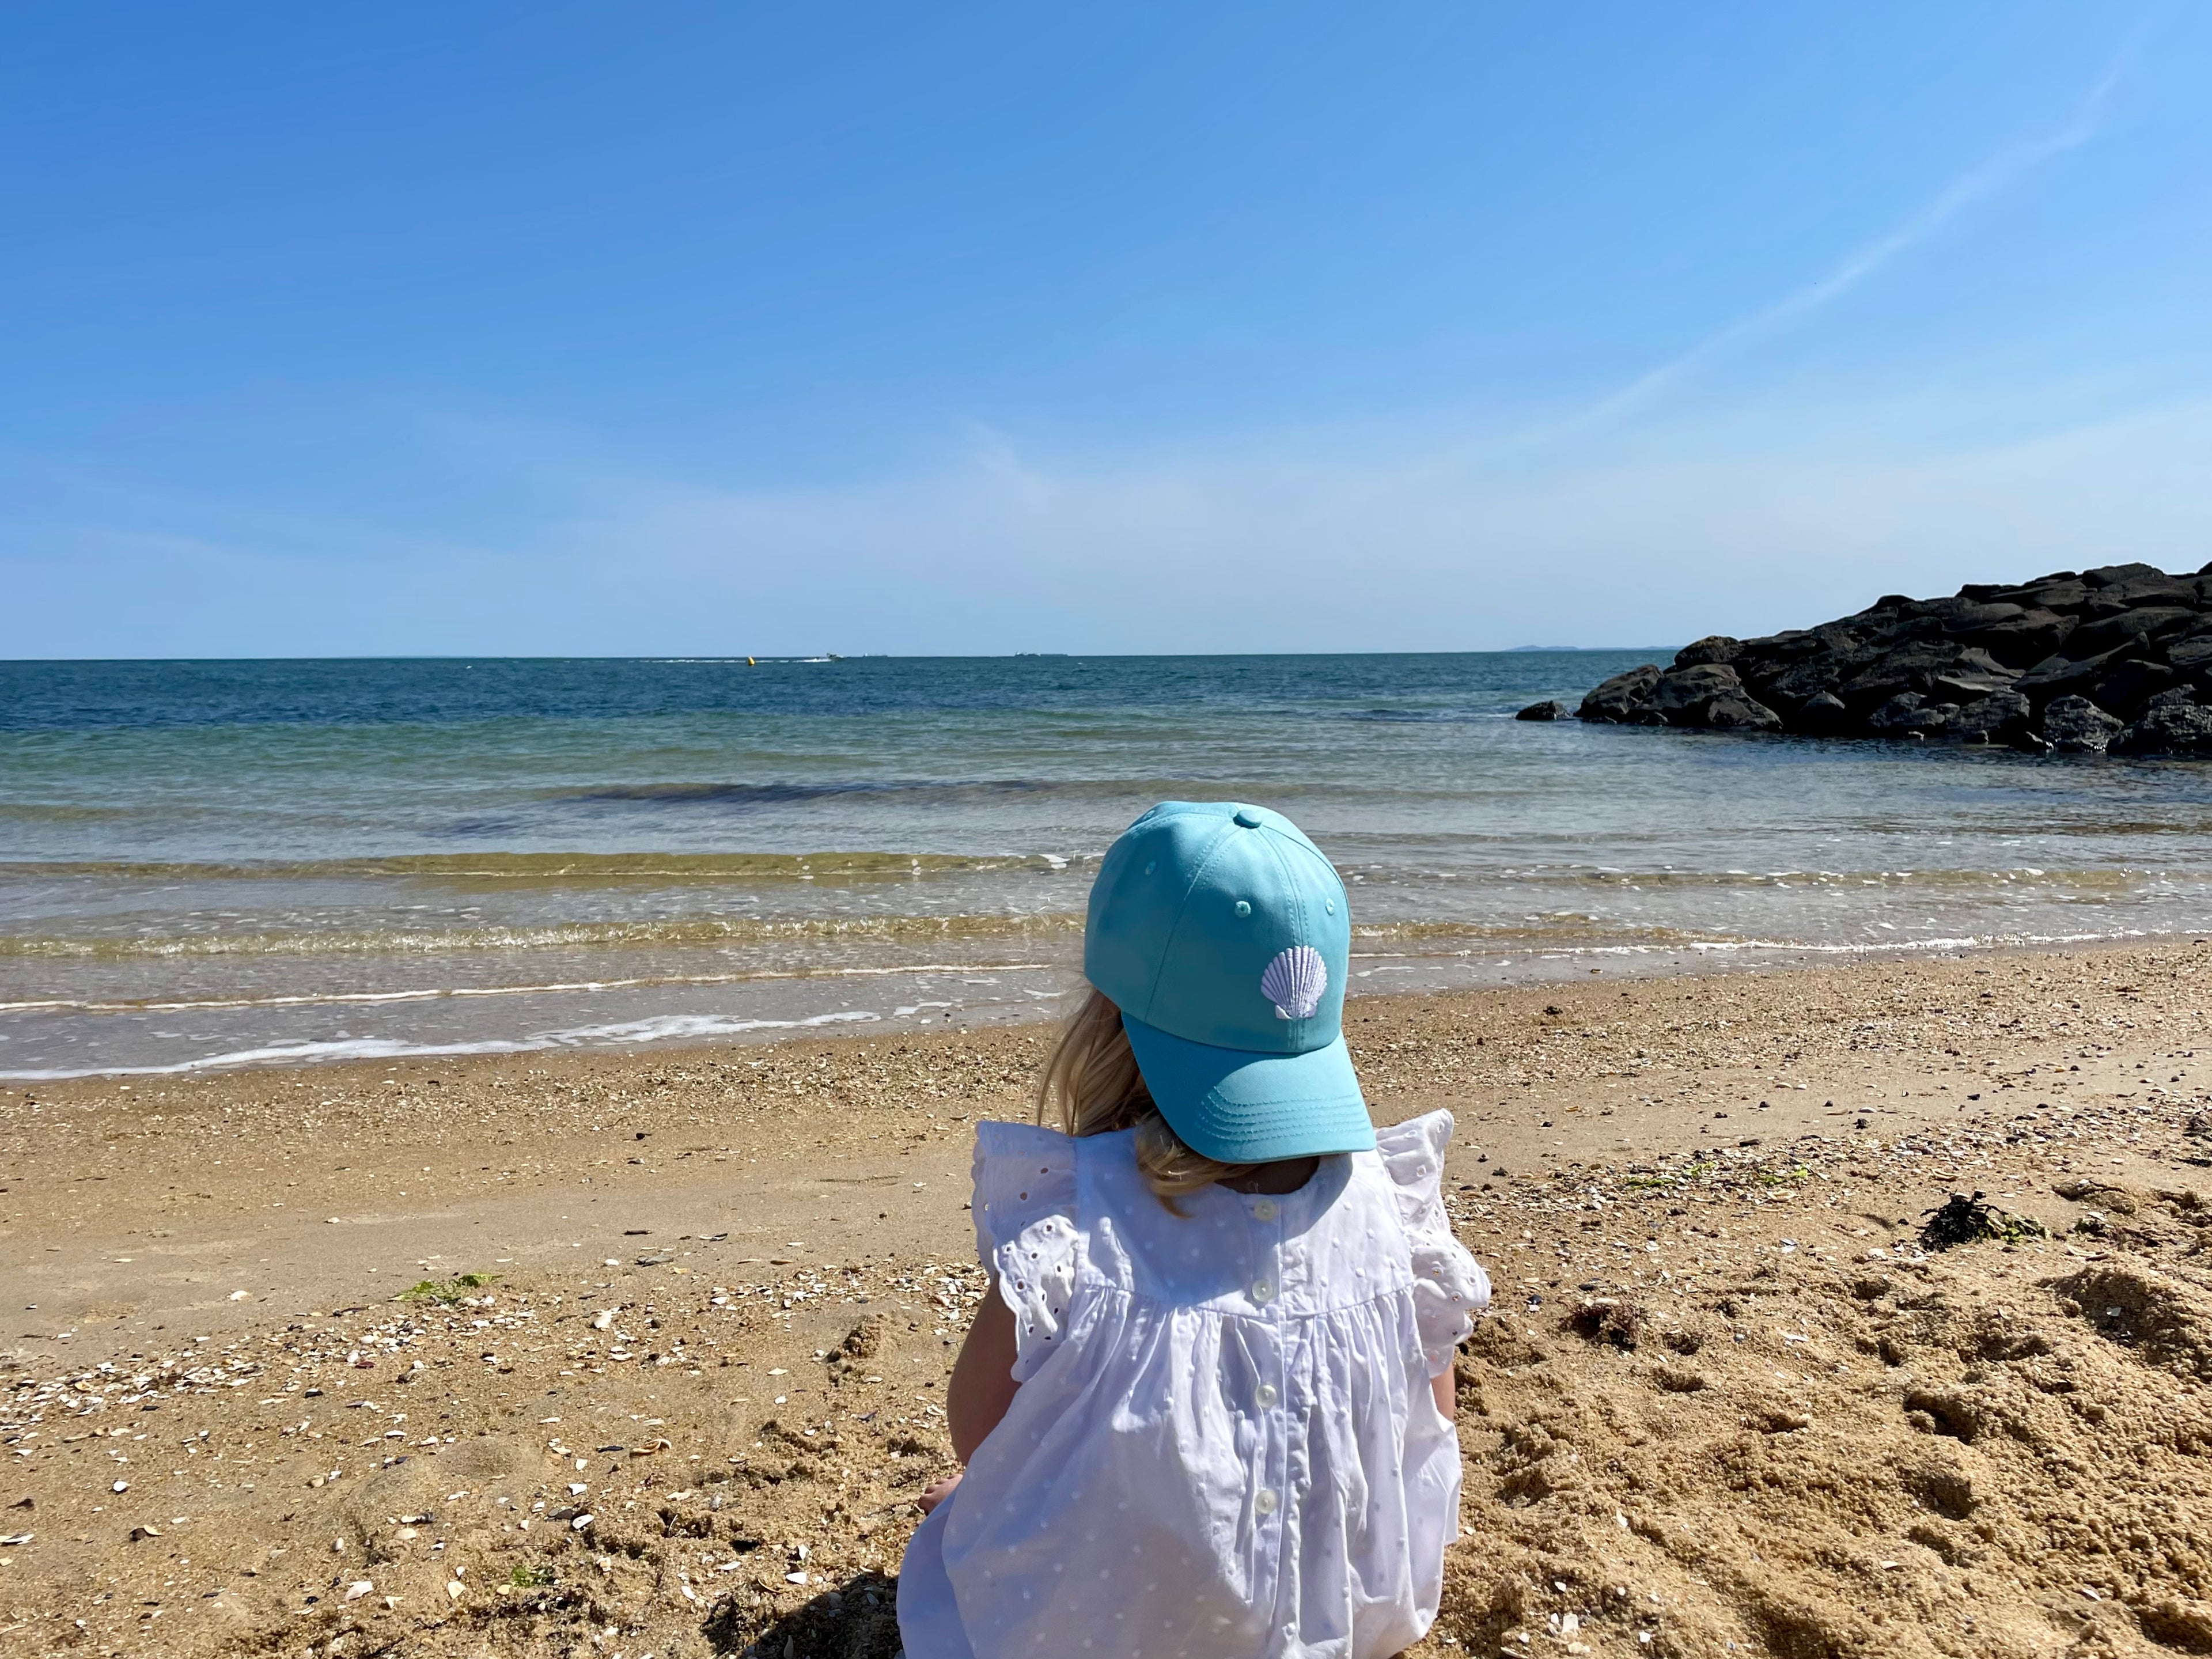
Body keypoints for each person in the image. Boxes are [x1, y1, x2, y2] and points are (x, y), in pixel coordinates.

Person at [897, 801, 1491, 1659]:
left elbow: (979, 1427)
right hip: (1355, 1613)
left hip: (1116, 1625)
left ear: (1106, 1022)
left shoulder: (1077, 1224)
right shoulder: (1389, 1211)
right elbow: (1430, 1424)